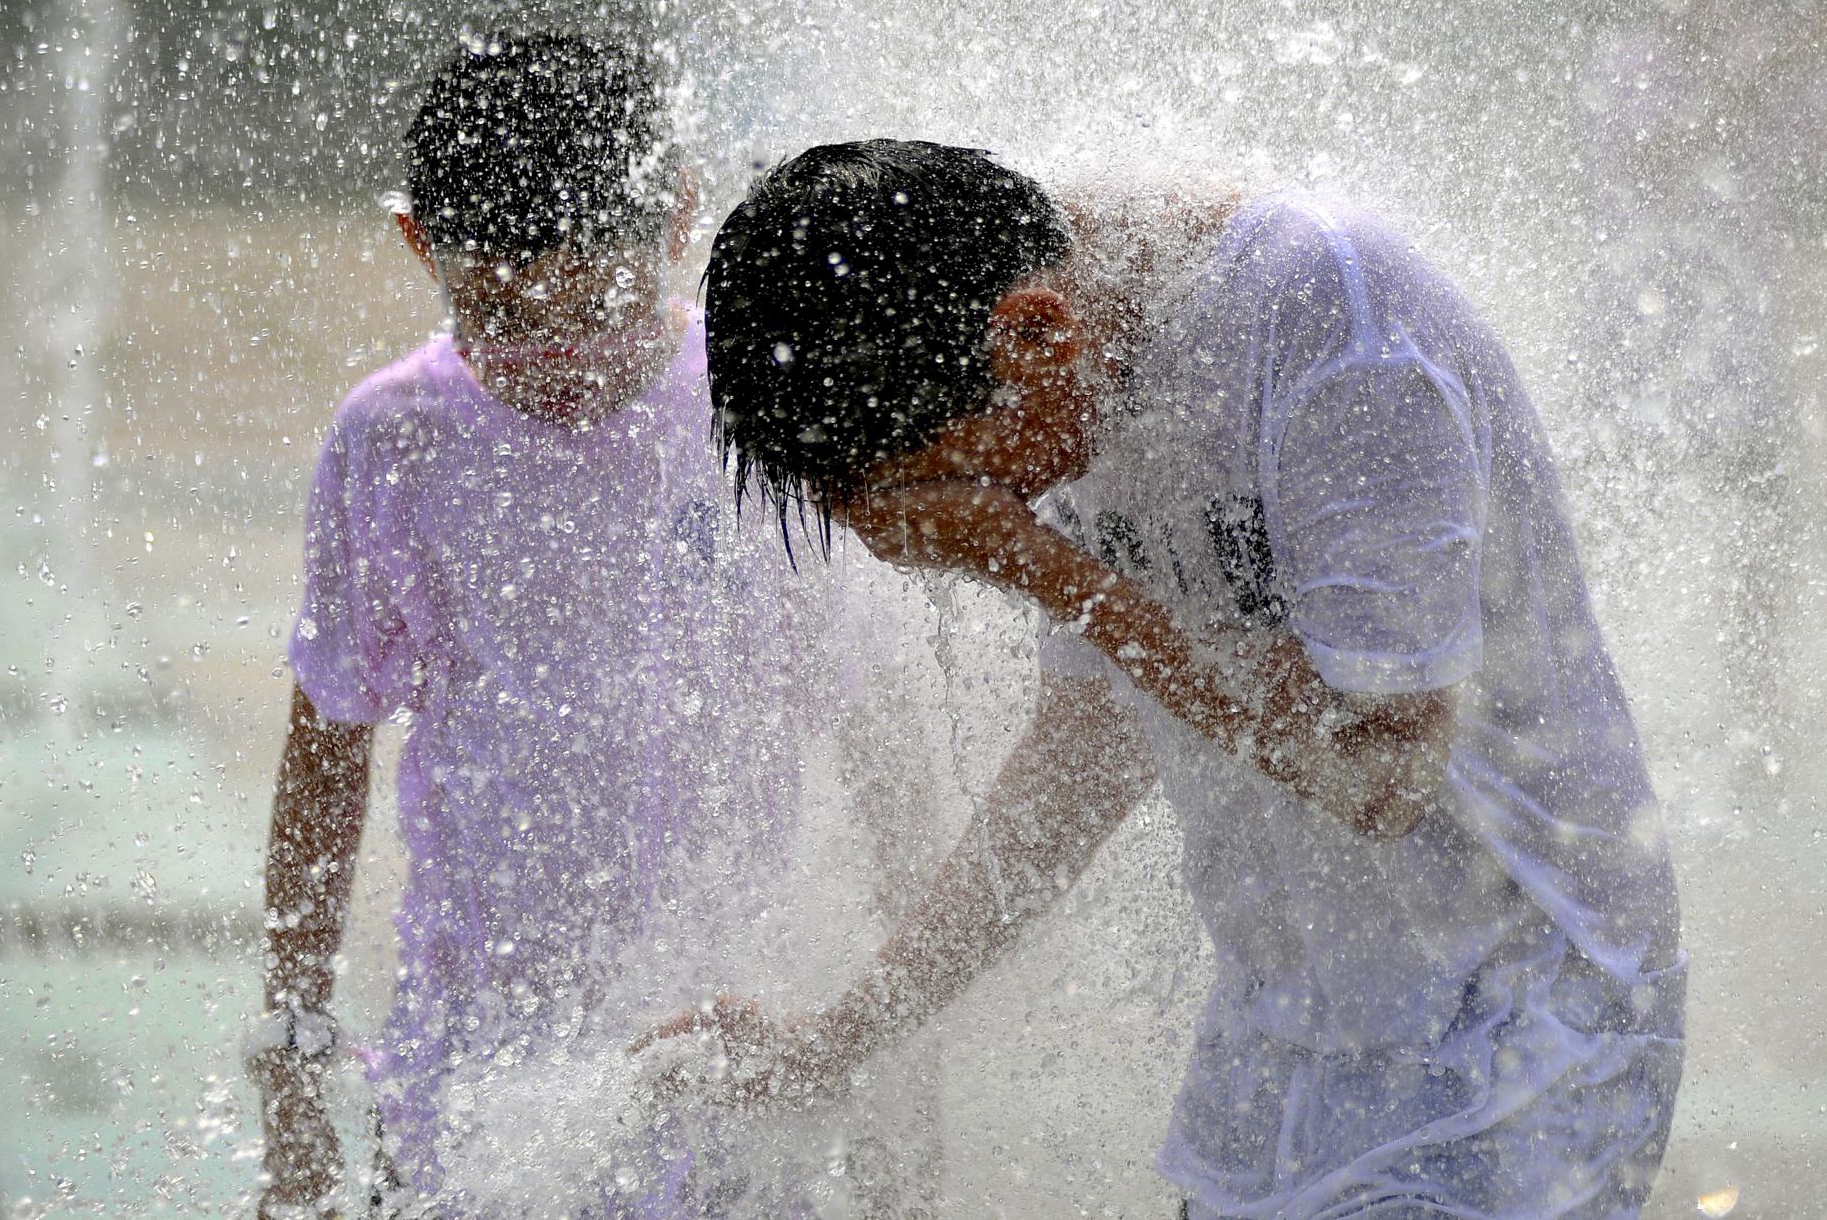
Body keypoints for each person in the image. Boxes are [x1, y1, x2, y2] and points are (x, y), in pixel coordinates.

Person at [653, 139, 1687, 1217]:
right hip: (1278, 1063)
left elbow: (1380, 772)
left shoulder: (1342, 333)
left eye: (959, 491)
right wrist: (843, 1039)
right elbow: (1077, 761)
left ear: (1036, 334)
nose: (973, 530)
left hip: (1516, 1043)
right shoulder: (1055, 343)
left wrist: (1044, 567)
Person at [249, 31, 801, 1217]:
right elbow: (327, 748)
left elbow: (877, 724)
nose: (551, 345)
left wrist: (908, 1078)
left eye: (595, 296)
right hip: (479, 1036)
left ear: (677, 223)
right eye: (494, 302)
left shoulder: (758, 414)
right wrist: (292, 1065)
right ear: (418, 245)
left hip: (724, 1036)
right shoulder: (395, 436)